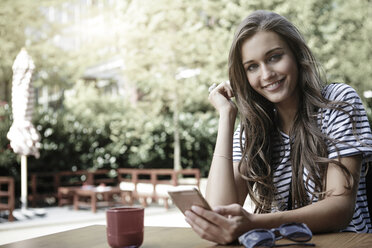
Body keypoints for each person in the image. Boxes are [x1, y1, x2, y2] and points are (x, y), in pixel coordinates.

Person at [184, 10, 372, 244]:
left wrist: (254, 222)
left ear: (296, 54)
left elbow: (340, 208)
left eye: (274, 57)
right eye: (252, 67)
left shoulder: (337, 102)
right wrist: (227, 115)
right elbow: (220, 212)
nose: (266, 74)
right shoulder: (252, 130)